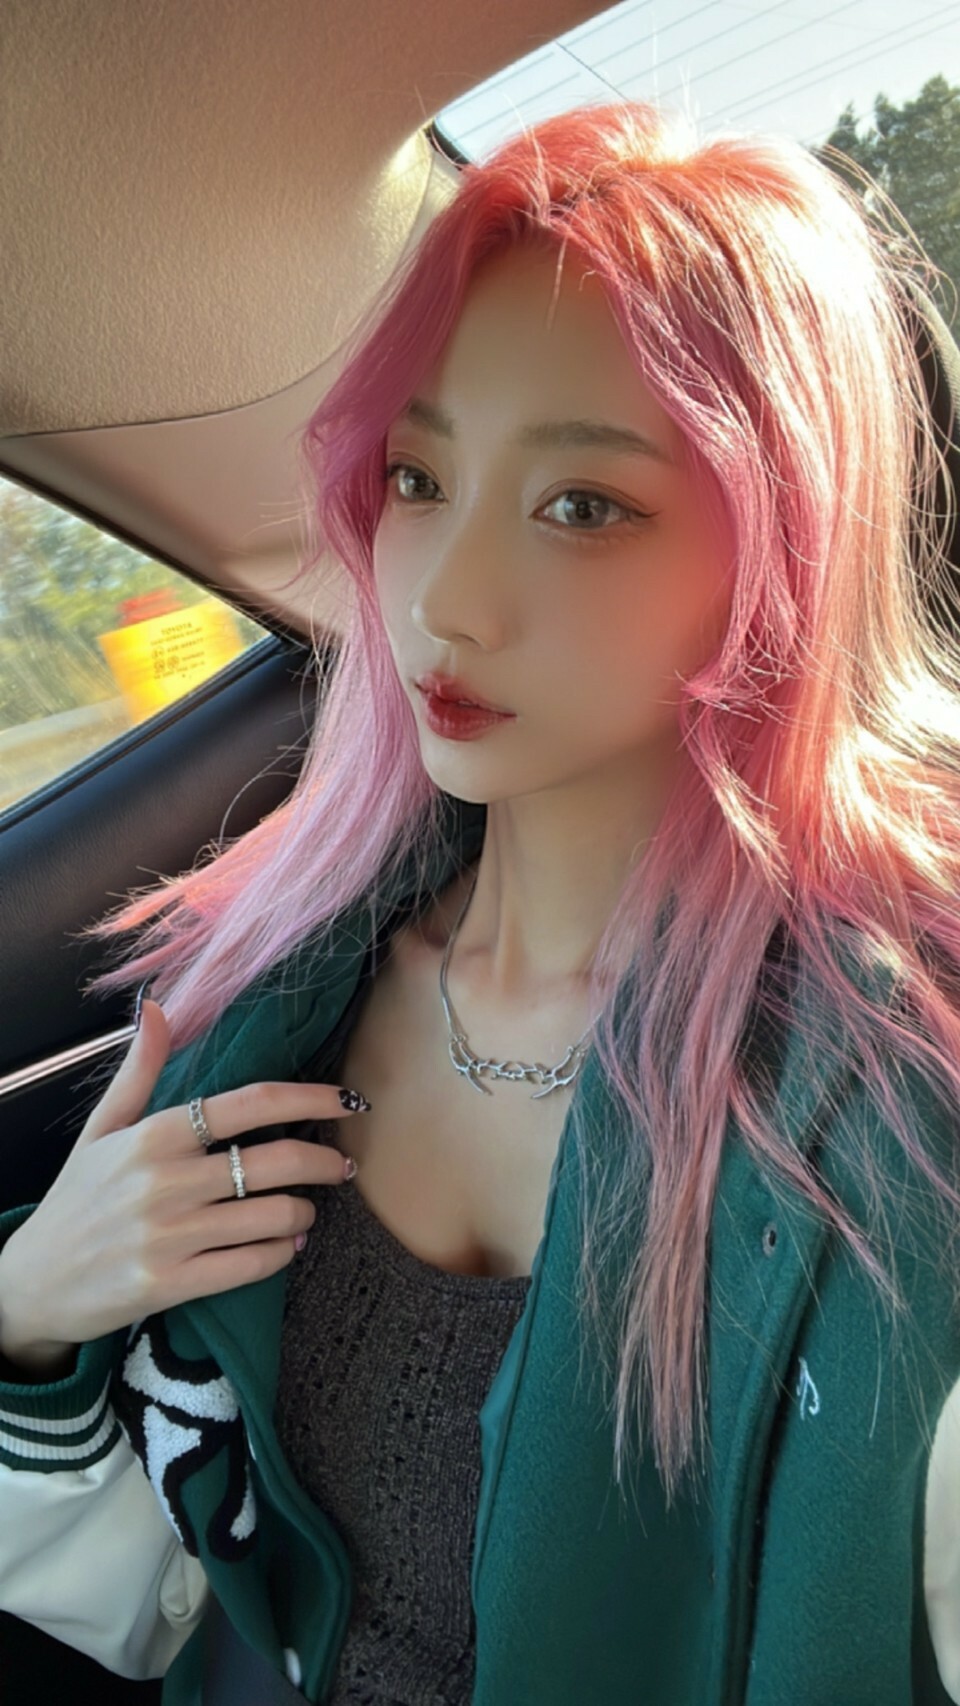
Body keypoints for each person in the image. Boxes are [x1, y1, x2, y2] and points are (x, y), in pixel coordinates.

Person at [2, 96, 960, 1706]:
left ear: (779, 553)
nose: (444, 595)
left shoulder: (895, 1117)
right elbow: (144, 1599)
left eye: (583, 504)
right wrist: (30, 1310)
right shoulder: (271, 994)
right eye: (418, 475)